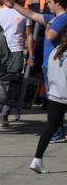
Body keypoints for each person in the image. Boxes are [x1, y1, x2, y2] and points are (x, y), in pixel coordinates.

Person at [12, 0, 67, 143]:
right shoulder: (53, 18)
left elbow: (50, 36)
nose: (47, 5)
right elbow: (32, 15)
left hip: (57, 66)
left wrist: (48, 25)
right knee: (55, 100)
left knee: (55, 100)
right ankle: (58, 131)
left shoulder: (62, 19)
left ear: (57, 3)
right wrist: (14, 5)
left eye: (49, 2)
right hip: (50, 65)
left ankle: (57, 133)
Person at [0, 0, 29, 127]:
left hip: (17, 50)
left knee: (13, 83)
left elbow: (29, 35)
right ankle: (2, 106)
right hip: (1, 51)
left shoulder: (22, 11)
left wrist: (30, 55)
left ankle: (4, 114)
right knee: (1, 82)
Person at [30, 36, 67, 174]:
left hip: (54, 95)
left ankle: (37, 159)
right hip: (64, 95)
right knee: (51, 128)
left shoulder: (55, 51)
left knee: (50, 128)